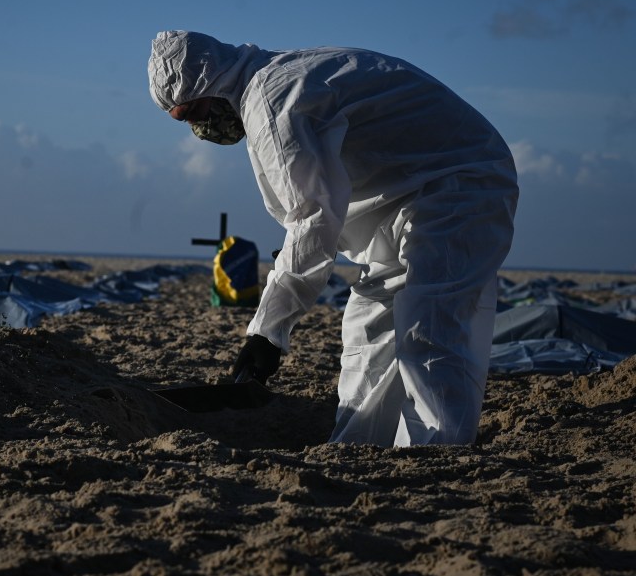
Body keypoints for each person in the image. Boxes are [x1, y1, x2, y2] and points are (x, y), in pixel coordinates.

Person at [148, 30, 518, 447]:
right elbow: (314, 212)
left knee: (428, 326)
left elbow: (311, 218)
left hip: (457, 189)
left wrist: (267, 332)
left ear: (210, 84)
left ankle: (441, 453)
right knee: (368, 329)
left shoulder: (274, 101)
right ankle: (359, 449)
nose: (200, 127)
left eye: (193, 113)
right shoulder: (273, 80)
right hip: (404, 200)